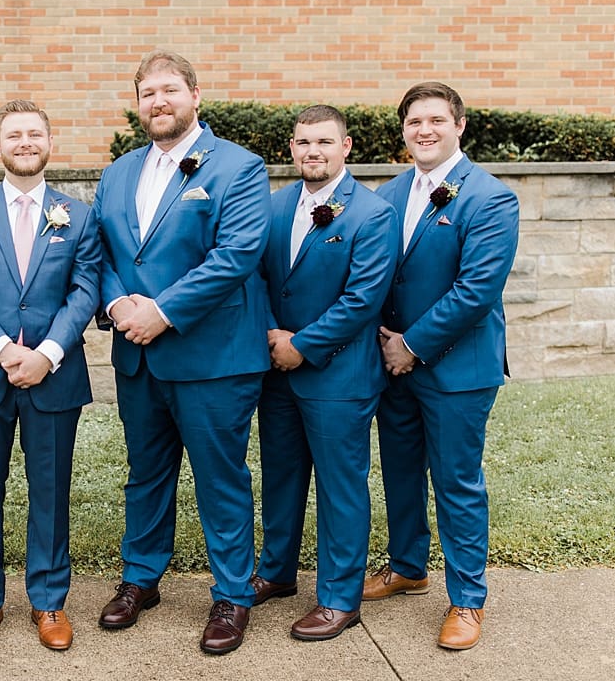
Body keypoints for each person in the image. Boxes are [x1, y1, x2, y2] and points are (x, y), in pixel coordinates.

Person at [92, 51, 271, 655]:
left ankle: (231, 595)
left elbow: (236, 254)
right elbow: (105, 256)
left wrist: (159, 312)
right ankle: (141, 578)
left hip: (212, 357)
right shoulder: (118, 173)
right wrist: (119, 308)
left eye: (170, 90)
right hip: (137, 357)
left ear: (196, 95)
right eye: (147, 93)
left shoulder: (239, 168)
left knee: (220, 478)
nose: (158, 101)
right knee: (145, 475)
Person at [0, 100, 101, 652]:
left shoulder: (78, 217)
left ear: (49, 143)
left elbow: (85, 291)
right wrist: (5, 350)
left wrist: (48, 353)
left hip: (55, 376)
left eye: (34, 133)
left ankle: (49, 600)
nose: (25, 142)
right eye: (14, 135)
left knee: (51, 493)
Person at [365, 82, 519, 651]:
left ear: (459, 126)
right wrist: (385, 346)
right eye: (413, 122)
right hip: (393, 366)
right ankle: (407, 565)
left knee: (456, 482)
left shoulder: (490, 197)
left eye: (435, 120)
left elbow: (476, 290)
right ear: (403, 132)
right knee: (400, 470)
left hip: (457, 368)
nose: (424, 130)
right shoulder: (388, 193)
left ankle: (467, 599)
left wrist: (412, 344)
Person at [252, 105, 398, 641]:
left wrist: (303, 346)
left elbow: (364, 298)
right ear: (291, 148)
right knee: (282, 476)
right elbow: (257, 280)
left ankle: (339, 598)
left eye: (323, 142)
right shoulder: (272, 206)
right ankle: (275, 572)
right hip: (276, 371)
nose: (312, 151)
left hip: (339, 375)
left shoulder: (371, 213)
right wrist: (273, 336)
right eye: (302, 142)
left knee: (341, 487)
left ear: (346, 146)